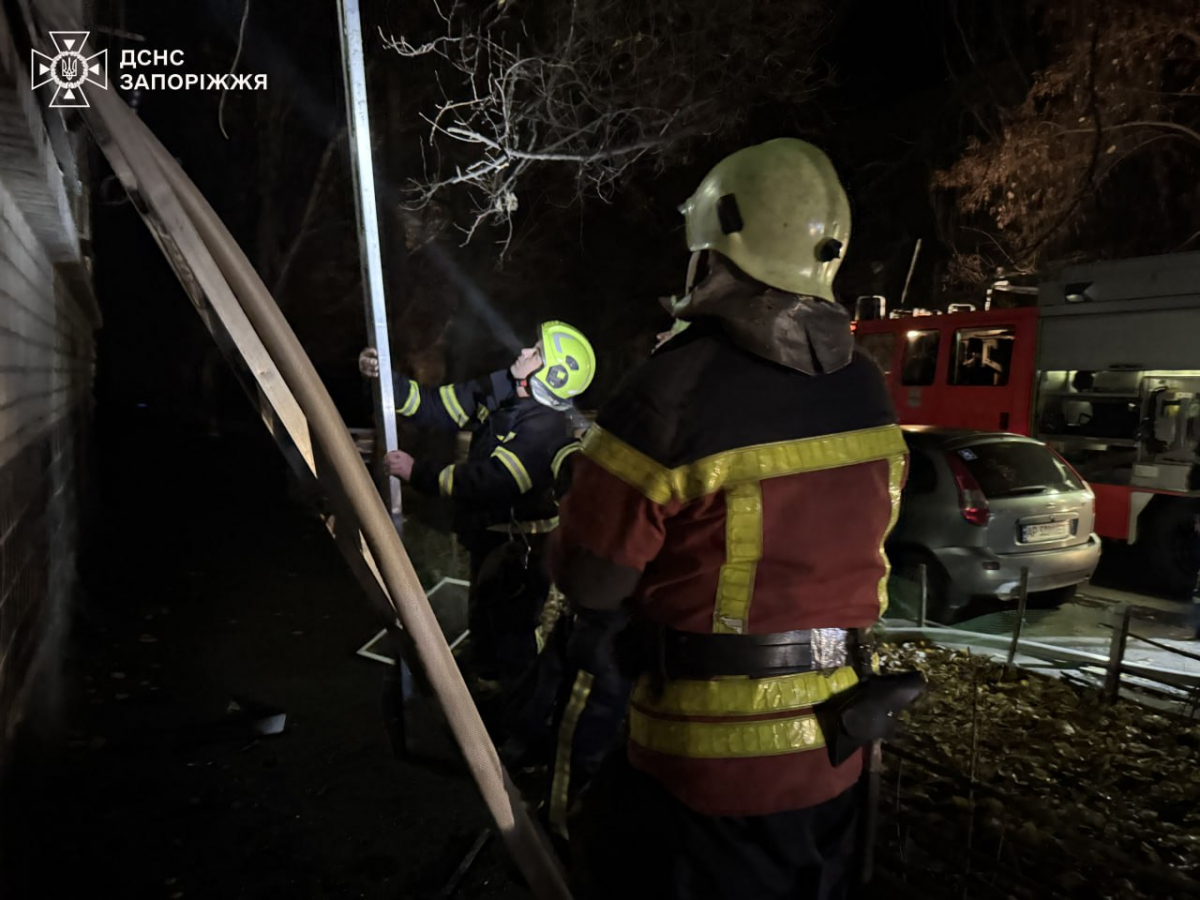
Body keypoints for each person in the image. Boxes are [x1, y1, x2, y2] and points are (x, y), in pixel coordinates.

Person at [549, 138, 913, 899]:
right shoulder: (868, 388)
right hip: (841, 746)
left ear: (711, 252)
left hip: (703, 767)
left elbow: (592, 579)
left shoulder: (669, 394)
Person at [359, 321, 596, 694]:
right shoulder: (504, 387)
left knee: (513, 633)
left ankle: (519, 714)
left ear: (551, 375)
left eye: (535, 353)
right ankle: (482, 692)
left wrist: (419, 473)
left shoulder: (544, 429)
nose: (523, 353)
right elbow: (438, 406)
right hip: (491, 537)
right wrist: (387, 381)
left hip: (522, 549)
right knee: (485, 620)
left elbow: (492, 480)